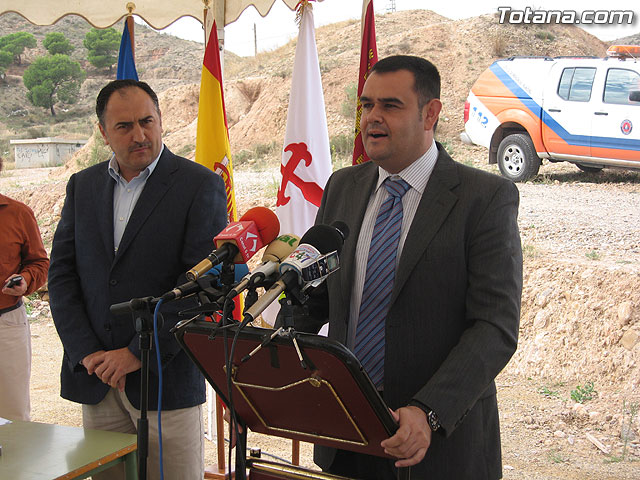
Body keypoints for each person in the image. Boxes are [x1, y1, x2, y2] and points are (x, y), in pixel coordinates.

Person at [305, 55, 523, 479]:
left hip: (439, 445)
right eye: (366, 105)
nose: (372, 117)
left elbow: (495, 326)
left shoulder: (484, 198)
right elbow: (315, 300)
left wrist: (428, 411)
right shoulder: (342, 187)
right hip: (348, 437)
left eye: (390, 105)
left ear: (430, 113)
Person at [48, 79, 227, 480]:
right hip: (98, 379)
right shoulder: (82, 186)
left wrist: (136, 354)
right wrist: (87, 353)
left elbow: (203, 287)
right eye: (124, 126)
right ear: (103, 132)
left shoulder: (200, 186)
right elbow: (61, 277)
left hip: (166, 379)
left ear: (161, 119)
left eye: (147, 121)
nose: (140, 135)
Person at [0, 157, 50, 422]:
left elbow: (40, 262)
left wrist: (25, 280)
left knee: (13, 414)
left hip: (6, 324)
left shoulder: (19, 213)